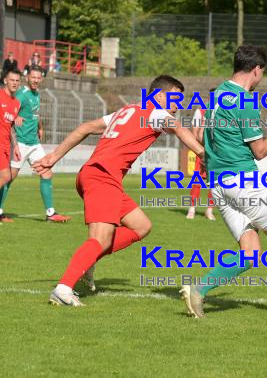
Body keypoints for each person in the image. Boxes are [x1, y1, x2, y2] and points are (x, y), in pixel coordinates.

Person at [32, 75, 206, 306]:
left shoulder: (129, 110)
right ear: (160, 96)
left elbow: (86, 127)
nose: (178, 105)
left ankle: (88, 261)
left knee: (141, 226)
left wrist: (54, 156)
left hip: (96, 175)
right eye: (175, 98)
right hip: (103, 176)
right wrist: (204, 155)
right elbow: (178, 128)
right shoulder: (156, 112)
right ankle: (63, 288)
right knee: (100, 239)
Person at [179, 45, 267, 320]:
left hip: (218, 184)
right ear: (256, 70)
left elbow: (208, 137)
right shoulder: (244, 102)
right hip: (244, 180)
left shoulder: (217, 94)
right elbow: (260, 151)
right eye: (261, 73)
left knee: (251, 253)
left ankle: (198, 289)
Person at [0, 66, 71, 223]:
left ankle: (51, 213)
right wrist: (16, 120)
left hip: (34, 143)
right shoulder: (21, 95)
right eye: (33, 77)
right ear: (27, 78)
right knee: (8, 178)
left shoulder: (36, 94)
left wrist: (40, 127)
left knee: (46, 173)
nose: (36, 80)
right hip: (20, 141)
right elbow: (11, 112)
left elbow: (34, 114)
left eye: (39, 78)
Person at [186, 88, 216, 221]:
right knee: (197, 181)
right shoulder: (201, 111)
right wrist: (200, 149)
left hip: (216, 153)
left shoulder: (223, 113)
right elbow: (194, 132)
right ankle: (192, 209)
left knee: (214, 183)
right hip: (202, 152)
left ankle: (209, 210)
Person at [0, 70, 22, 208]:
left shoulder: (17, 103)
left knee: (5, 177)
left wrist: (16, 146)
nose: (14, 83)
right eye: (12, 80)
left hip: (7, 145)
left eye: (17, 80)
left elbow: (11, 127)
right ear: (5, 81)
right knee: (6, 176)